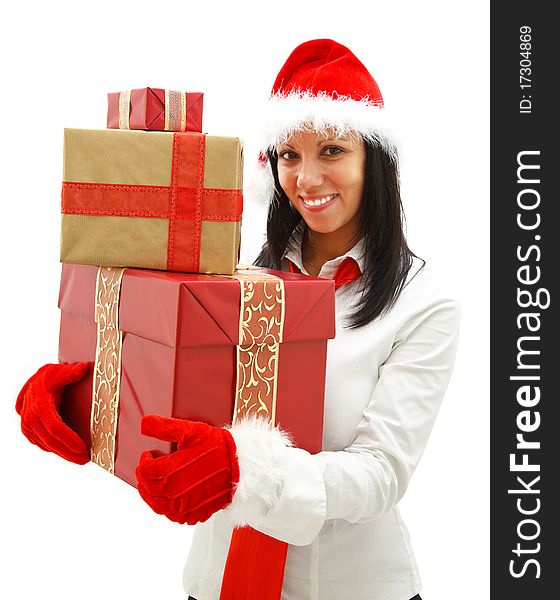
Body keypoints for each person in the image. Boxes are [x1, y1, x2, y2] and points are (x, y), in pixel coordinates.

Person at [16, 39, 460, 600]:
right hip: (219, 577)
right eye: (289, 155)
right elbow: (168, 391)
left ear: (375, 158)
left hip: (348, 586)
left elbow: (380, 474)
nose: (306, 178)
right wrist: (78, 399)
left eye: (331, 150)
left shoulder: (425, 302)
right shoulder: (241, 281)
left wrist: (246, 468)